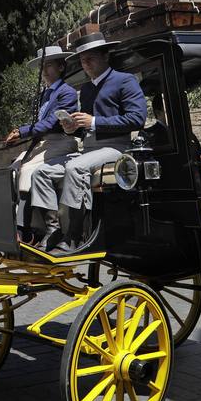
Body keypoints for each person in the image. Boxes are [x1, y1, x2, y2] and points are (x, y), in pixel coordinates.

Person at [29, 29, 147, 255]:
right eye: (82, 60)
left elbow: (137, 118)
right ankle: (52, 231)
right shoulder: (87, 89)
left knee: (75, 167)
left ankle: (73, 237)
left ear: (106, 56)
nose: (86, 63)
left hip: (116, 147)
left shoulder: (124, 80)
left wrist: (93, 121)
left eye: (90, 58)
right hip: (90, 148)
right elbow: (86, 128)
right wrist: (74, 128)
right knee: (41, 173)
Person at [3, 45, 78, 244]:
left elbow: (51, 123)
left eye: (50, 65)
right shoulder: (43, 96)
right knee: (12, 170)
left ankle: (29, 230)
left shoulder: (67, 92)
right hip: (42, 143)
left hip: (62, 141)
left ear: (61, 67)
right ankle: (17, 224)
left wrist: (22, 131)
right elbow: (39, 125)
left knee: (27, 170)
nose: (44, 70)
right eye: (42, 65)